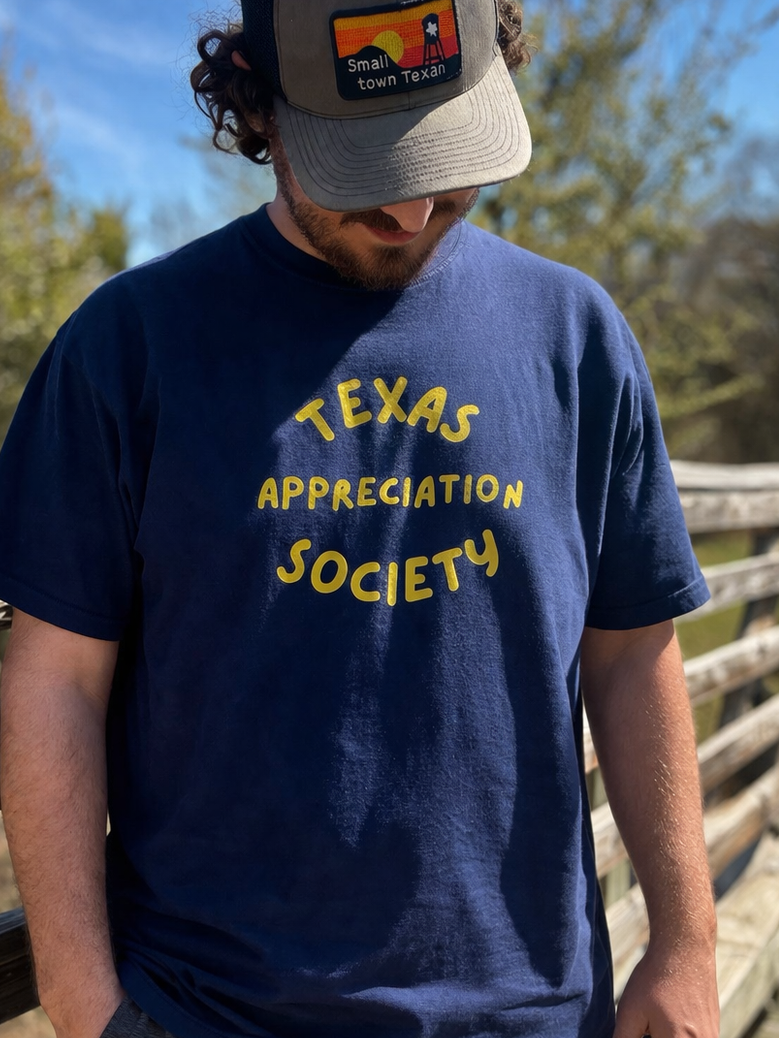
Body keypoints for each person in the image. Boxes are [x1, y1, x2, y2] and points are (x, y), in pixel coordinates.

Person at [0, 0, 719, 1036]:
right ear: (258, 99)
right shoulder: (128, 349)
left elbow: (629, 650)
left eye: (448, 152)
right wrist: (82, 1005)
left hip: (534, 1014)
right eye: (366, 166)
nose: (415, 211)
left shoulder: (576, 340)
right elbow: (53, 679)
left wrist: (686, 942)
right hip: (207, 1011)